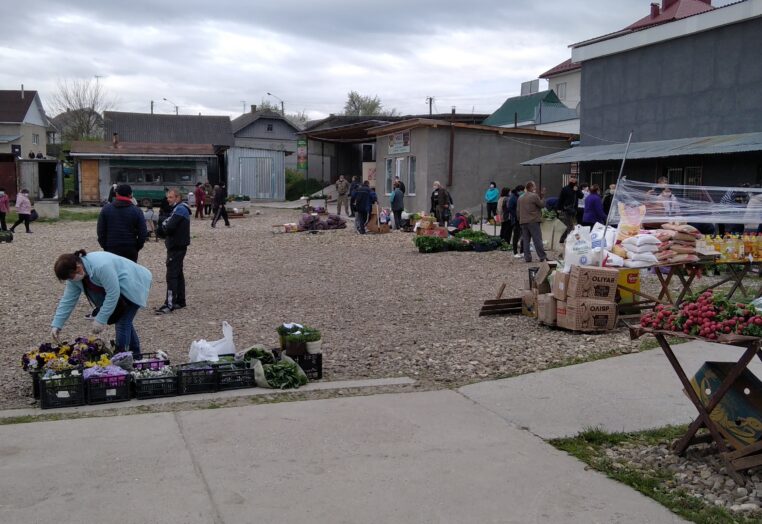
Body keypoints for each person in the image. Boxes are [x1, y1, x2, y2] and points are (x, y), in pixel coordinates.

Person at [50, 249, 152, 358]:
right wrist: (57, 325)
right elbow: (68, 300)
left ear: (78, 268)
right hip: (120, 288)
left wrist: (100, 319)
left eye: (70, 277)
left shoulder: (101, 266)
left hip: (134, 283)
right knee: (125, 322)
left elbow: (113, 294)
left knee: (122, 322)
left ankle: (122, 358)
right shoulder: (75, 277)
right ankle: (136, 356)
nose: (70, 280)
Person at [156, 188, 191, 314]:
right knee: (178, 273)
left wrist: (162, 225)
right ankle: (180, 301)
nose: (168, 200)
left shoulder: (180, 209)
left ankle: (169, 304)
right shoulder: (177, 209)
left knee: (171, 275)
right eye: (168, 197)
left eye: (170, 197)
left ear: (177, 198)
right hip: (177, 245)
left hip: (176, 246)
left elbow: (169, 226)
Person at [96, 184, 148, 262]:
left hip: (111, 247)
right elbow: (143, 233)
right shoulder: (137, 211)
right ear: (130, 195)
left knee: (113, 273)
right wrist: (137, 247)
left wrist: (105, 246)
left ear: (116, 194)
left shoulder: (106, 209)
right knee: (129, 272)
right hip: (130, 248)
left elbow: (100, 231)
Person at [518, 181, 547, 263]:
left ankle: (527, 258)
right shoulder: (534, 196)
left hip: (523, 221)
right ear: (530, 187)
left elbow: (518, 211)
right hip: (533, 221)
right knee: (537, 239)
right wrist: (543, 196)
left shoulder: (520, 197)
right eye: (534, 186)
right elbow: (542, 205)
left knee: (526, 241)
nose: (535, 188)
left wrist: (520, 219)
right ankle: (542, 256)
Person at [556, 175, 583, 244]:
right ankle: (565, 240)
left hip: (574, 210)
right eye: (572, 178)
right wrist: (559, 208)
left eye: (575, 178)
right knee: (570, 226)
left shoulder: (577, 188)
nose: (573, 180)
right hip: (566, 210)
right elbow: (561, 199)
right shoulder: (565, 189)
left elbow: (581, 196)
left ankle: (570, 240)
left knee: (573, 226)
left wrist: (577, 190)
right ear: (569, 179)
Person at [508, 185, 524, 258]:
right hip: (516, 219)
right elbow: (510, 208)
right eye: (522, 190)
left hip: (522, 218)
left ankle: (522, 251)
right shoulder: (513, 197)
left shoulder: (520, 197)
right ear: (519, 190)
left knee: (523, 235)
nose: (523, 192)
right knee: (516, 236)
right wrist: (516, 216)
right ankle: (515, 252)